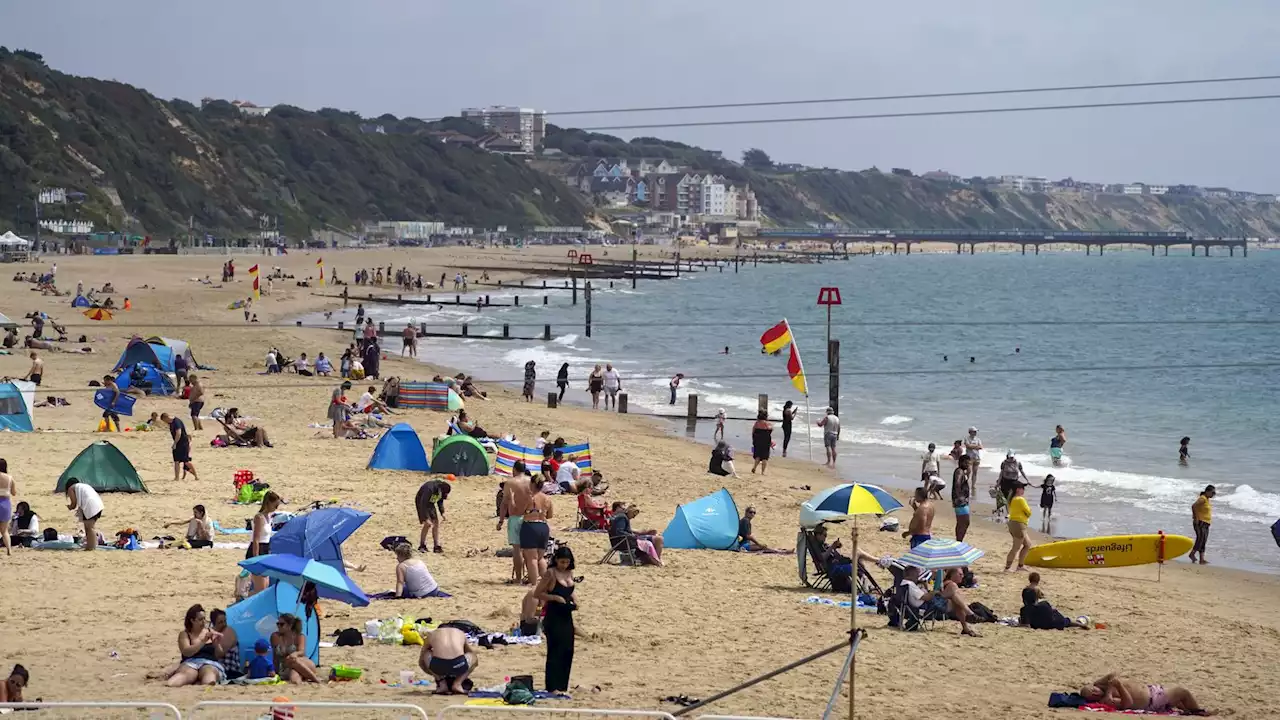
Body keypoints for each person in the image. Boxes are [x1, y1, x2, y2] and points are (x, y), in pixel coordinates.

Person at [536, 546, 580, 693]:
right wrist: (554, 597)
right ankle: (552, 686)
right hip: (553, 615)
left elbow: (570, 590)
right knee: (555, 651)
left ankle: (563, 685)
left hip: (566, 615)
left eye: (567, 562)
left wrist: (575, 600)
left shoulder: (569, 572)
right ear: (556, 560)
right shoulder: (550, 573)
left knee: (568, 649)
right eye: (562, 562)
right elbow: (538, 593)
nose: (564, 565)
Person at [1079, 674, 1204, 714]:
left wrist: (1110, 688)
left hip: (1153, 691)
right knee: (1182, 692)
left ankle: (1190, 710)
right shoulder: (1106, 700)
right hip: (1152, 700)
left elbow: (1113, 674)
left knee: (1181, 702)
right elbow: (1128, 703)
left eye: (1093, 689)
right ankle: (1199, 712)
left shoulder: (1100, 685)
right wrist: (1119, 686)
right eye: (1093, 695)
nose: (1096, 692)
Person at [166, 604, 226, 686]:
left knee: (209, 675)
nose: (204, 622)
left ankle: (206, 692)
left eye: (205, 619)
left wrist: (217, 643)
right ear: (192, 620)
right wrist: (203, 641)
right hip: (191, 662)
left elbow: (220, 655)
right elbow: (186, 652)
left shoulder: (209, 631)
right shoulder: (185, 634)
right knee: (185, 675)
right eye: (200, 619)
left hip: (209, 662)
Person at [499, 461, 534, 584]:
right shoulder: (531, 481)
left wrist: (501, 520)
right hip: (530, 517)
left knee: (517, 550)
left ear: (514, 469)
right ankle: (531, 577)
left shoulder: (510, 482)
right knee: (529, 550)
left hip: (515, 517)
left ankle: (518, 578)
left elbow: (504, 503)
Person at [420, 625, 477, 695]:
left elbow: (422, 654)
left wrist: (431, 672)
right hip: (458, 664)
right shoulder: (460, 632)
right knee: (473, 657)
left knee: (426, 653)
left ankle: (442, 684)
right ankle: (457, 684)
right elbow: (470, 652)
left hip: (438, 665)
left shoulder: (432, 634)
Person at [1021, 572, 1089, 630]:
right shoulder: (1043, 603)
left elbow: (1027, 625)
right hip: (1051, 620)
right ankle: (1081, 624)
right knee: (1064, 621)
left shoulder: (1025, 610)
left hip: (1039, 623)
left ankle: (1079, 624)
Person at [520, 477, 554, 586]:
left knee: (532, 559)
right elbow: (550, 515)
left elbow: (520, 511)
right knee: (540, 558)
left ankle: (534, 584)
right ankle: (544, 583)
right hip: (543, 527)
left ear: (533, 484)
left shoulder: (529, 498)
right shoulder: (547, 498)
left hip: (530, 526)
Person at [272, 613, 321, 683]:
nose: (279, 626)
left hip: (304, 664)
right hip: (285, 667)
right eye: (278, 624)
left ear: (290, 626)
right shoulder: (275, 636)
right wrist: (275, 670)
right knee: (294, 679)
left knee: (292, 659)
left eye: (282, 624)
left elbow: (302, 651)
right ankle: (309, 680)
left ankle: (315, 680)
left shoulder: (299, 636)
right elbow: (275, 656)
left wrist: (295, 654)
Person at [249, 491, 281, 592]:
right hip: (258, 550)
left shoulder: (269, 517)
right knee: (260, 587)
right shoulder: (259, 517)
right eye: (275, 505)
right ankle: (247, 605)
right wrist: (256, 557)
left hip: (265, 549)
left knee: (265, 585)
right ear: (268, 503)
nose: (276, 508)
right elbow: (256, 539)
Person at [64, 478, 103, 551]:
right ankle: (90, 546)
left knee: (90, 528)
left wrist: (69, 507)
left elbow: (74, 504)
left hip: (91, 505)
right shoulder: (82, 486)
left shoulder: (71, 488)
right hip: (98, 504)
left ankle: (91, 547)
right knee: (88, 527)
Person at [940, 568, 981, 637]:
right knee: (957, 602)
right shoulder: (951, 584)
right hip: (938, 606)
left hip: (941, 605)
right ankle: (969, 614)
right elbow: (941, 596)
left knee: (956, 600)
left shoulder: (948, 583)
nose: (962, 576)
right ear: (952, 575)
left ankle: (967, 622)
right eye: (960, 574)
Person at [415, 479, 451, 553]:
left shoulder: (441, 491)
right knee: (427, 524)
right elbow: (423, 503)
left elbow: (440, 501)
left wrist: (442, 512)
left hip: (430, 503)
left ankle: (436, 546)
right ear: (440, 490)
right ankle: (422, 545)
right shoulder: (430, 489)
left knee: (436, 523)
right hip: (421, 502)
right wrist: (425, 518)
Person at [160, 412, 198, 482]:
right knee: (176, 461)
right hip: (177, 444)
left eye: (164, 421)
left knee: (186, 461)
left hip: (183, 443)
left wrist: (175, 443)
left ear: (166, 418)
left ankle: (196, 476)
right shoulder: (170, 423)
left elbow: (179, 433)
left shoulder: (176, 422)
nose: (165, 422)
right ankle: (176, 477)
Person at [1005, 482, 1034, 572]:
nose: (1023, 490)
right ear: (1018, 489)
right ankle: (1007, 567)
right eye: (1022, 488)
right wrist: (1029, 510)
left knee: (1027, 544)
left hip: (1013, 523)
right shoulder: (1020, 499)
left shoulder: (1011, 499)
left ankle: (1020, 566)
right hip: (1019, 524)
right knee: (1016, 547)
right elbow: (1028, 512)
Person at [1189, 484, 1215, 565]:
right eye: (1212, 493)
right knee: (1200, 539)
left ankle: (1202, 559)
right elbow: (1194, 506)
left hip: (1206, 523)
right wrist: (1196, 518)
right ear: (1207, 491)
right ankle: (1192, 554)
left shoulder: (1207, 499)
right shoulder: (1202, 498)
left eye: (1214, 493)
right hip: (1200, 522)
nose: (1213, 494)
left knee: (1203, 540)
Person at [952, 456, 971, 542]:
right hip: (960, 502)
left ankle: (959, 540)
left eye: (969, 463)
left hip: (961, 501)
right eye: (966, 463)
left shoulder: (962, 472)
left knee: (962, 522)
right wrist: (960, 497)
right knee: (964, 522)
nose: (967, 465)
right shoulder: (959, 471)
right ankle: (959, 541)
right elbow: (957, 484)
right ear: (961, 462)